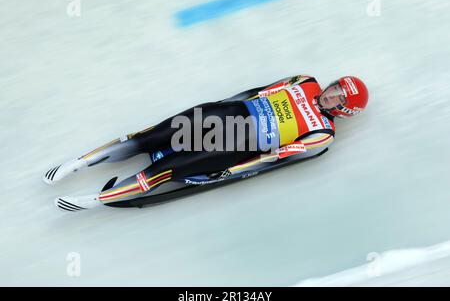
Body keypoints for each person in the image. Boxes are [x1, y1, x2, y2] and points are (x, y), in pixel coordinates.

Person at [45, 75, 369, 211]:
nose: (330, 93)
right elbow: (255, 92)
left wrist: (235, 170)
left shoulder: (323, 131)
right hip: (226, 114)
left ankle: (95, 199)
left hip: (238, 144)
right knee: (151, 136)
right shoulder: (305, 81)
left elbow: (279, 156)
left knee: (165, 170)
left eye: (339, 95)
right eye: (335, 86)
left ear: (344, 108)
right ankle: (78, 163)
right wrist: (216, 106)